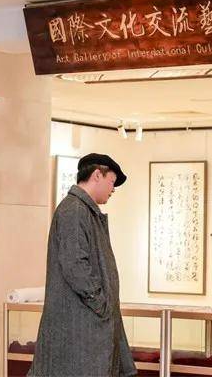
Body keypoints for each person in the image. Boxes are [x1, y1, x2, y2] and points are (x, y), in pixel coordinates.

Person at [28, 153, 137, 377]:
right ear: (97, 175)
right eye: (112, 182)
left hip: (85, 328)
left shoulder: (82, 210)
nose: (113, 189)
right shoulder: (74, 210)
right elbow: (75, 265)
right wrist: (101, 304)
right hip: (79, 330)